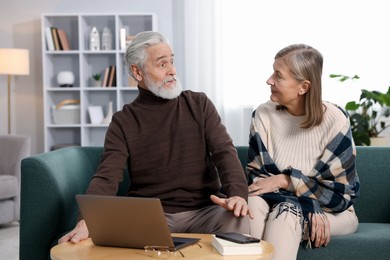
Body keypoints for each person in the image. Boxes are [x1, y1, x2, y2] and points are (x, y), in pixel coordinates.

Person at [59, 31, 252, 244]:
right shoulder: (123, 121)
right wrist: (88, 220)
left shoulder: (199, 104)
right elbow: (107, 175)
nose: (172, 71)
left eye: (172, 62)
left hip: (205, 212)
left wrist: (237, 195)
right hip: (153, 216)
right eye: (162, 65)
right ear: (137, 72)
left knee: (237, 220)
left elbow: (224, 152)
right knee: (109, 235)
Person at [246, 44, 360, 260]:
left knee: (286, 215)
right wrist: (301, 193)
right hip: (277, 202)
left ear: (303, 87)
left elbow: (340, 195)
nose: (269, 80)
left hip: (332, 212)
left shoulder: (335, 120)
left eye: (278, 75)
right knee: (251, 206)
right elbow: (258, 181)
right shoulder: (263, 114)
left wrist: (286, 180)